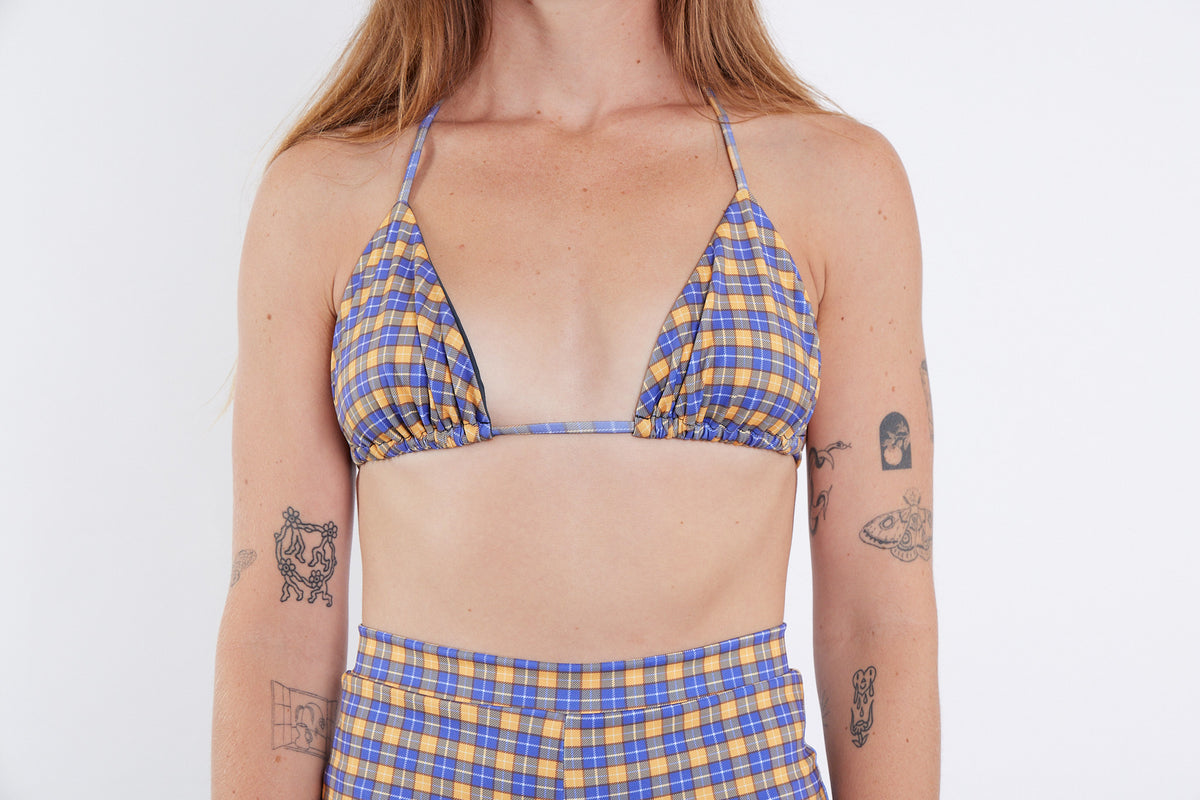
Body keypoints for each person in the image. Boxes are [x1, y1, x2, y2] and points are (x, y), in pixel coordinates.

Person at [212, 0, 940, 797]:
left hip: (729, 771)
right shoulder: (324, 192)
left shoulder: (835, 181)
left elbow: (879, 612)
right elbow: (280, 619)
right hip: (409, 771)